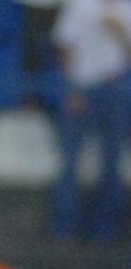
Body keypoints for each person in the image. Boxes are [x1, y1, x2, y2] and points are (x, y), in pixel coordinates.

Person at [53, 0, 131, 242]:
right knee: (70, 161)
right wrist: (72, 86)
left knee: (112, 161)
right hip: (83, 88)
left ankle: (105, 230)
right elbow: (64, 45)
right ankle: (65, 227)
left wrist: (119, 31)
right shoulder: (80, 5)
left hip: (114, 87)